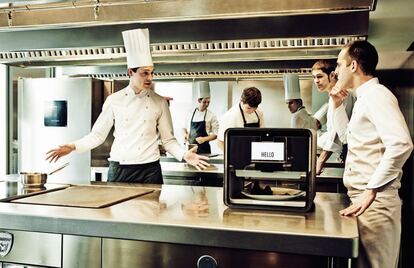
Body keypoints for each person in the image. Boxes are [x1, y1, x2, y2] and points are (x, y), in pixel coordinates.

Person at [46, 28, 209, 183]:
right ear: (130, 71)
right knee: (117, 212)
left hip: (150, 170)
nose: (150, 77)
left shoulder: (159, 102)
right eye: (144, 72)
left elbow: (168, 141)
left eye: (152, 72)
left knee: (151, 212)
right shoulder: (114, 100)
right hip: (120, 169)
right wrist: (72, 146)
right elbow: (97, 136)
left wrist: (183, 154)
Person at [330, 40, 413, 268]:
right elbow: (349, 139)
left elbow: (401, 143)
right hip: (364, 201)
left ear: (354, 66)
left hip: (376, 204)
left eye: (339, 64)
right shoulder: (363, 99)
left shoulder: (377, 94)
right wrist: (337, 106)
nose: (335, 71)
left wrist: (370, 190)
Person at [312, 59, 355, 174]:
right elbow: (331, 132)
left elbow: (337, 133)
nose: (316, 81)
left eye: (319, 76)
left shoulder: (343, 93)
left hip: (352, 149)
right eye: (314, 77)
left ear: (331, 75)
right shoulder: (332, 98)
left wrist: (320, 161)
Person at [217, 87, 264, 151]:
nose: (252, 111)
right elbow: (220, 143)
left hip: (255, 152)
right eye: (249, 108)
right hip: (237, 153)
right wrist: (232, 157)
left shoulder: (259, 113)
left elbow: (263, 134)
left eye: (255, 108)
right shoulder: (230, 116)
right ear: (241, 100)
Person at [182, 81, 219, 154]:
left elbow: (216, 134)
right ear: (199, 100)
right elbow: (183, 128)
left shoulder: (211, 115)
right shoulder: (190, 113)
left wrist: (204, 139)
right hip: (190, 149)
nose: (207, 104)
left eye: (208, 102)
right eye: (204, 102)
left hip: (204, 149)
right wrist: (185, 135)